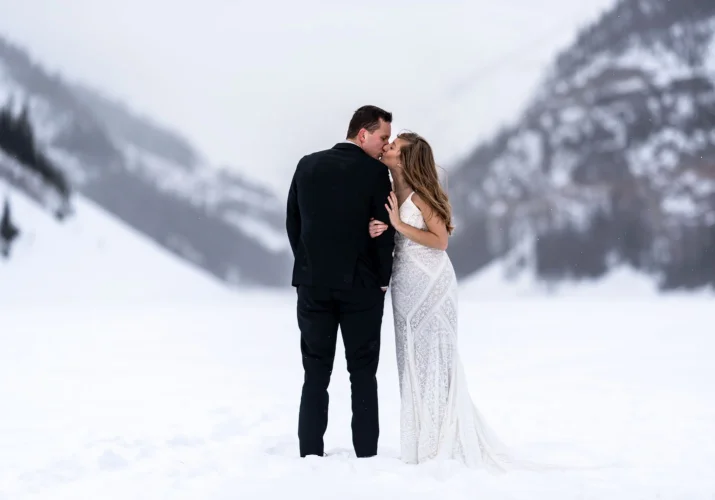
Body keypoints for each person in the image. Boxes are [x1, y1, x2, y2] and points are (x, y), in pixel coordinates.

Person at [368, 132, 514, 471]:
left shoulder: (420, 195)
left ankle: (438, 441)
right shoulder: (390, 189)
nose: (387, 147)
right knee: (410, 357)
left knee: (434, 357)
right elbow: (395, 232)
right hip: (404, 280)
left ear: (404, 160)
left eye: (394, 147)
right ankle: (420, 439)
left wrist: (398, 224)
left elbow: (440, 241)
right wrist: (383, 228)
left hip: (432, 281)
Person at [286, 105, 396, 458]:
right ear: (363, 134)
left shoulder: (307, 165)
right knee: (362, 373)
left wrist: (309, 264)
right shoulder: (376, 174)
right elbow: (382, 233)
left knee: (315, 372)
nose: (385, 145)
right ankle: (365, 454)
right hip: (361, 287)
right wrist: (382, 279)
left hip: (312, 284)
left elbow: (294, 224)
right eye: (383, 138)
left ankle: (309, 454)